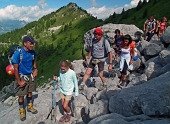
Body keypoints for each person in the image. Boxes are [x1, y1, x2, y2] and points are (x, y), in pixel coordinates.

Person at [12, 36, 38, 121]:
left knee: (30, 91)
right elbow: (15, 68)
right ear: (25, 43)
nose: (32, 45)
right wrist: (19, 81)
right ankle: (21, 110)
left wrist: (35, 69)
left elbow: (34, 61)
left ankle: (29, 106)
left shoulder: (32, 52)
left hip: (30, 75)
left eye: (33, 43)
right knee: (21, 95)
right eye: (31, 43)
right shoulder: (18, 53)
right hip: (22, 76)